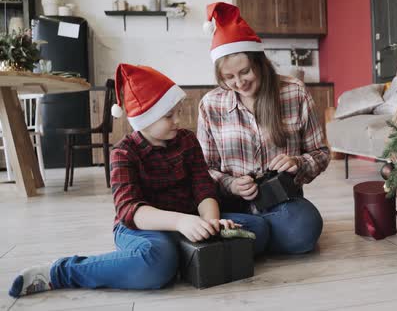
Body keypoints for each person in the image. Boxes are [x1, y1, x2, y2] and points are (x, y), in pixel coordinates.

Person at [8, 64, 244, 298]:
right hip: (141, 227)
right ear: (144, 119)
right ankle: (62, 272)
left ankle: (184, 255)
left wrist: (212, 224)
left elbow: (203, 187)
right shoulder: (123, 153)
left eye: (178, 112)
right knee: (156, 264)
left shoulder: (187, 140)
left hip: (188, 220)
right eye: (169, 116)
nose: (178, 121)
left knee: (256, 230)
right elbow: (129, 210)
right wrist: (182, 222)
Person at [198, 2, 330, 255]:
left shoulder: (294, 92)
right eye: (229, 77)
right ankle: (259, 233)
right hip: (232, 204)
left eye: (245, 71)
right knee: (280, 233)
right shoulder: (210, 105)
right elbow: (204, 169)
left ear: (259, 62)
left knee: (305, 231)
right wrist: (231, 184)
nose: (239, 82)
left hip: (282, 200)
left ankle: (251, 237)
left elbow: (321, 153)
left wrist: (298, 163)